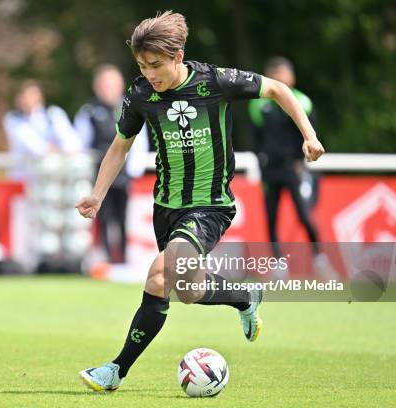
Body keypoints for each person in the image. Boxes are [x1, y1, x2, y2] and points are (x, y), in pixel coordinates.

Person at [75, 11, 324, 391]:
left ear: (178, 56)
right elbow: (119, 147)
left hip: (209, 207)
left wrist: (308, 136)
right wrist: (97, 193)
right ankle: (245, 296)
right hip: (166, 208)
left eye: (156, 65)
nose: (149, 74)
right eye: (142, 66)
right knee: (188, 290)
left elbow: (277, 89)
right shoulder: (140, 94)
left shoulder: (216, 81)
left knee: (160, 274)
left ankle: (115, 370)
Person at [248, 57, 331, 279]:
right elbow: (256, 139)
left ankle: (320, 258)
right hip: (269, 170)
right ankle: (277, 264)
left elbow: (311, 136)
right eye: (273, 76)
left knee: (305, 215)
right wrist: (260, 161)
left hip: (294, 170)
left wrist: (300, 162)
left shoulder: (303, 103)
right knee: (271, 217)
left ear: (291, 76)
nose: (278, 80)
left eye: (282, 74)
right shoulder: (258, 104)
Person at [75, 65, 148, 263]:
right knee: (103, 217)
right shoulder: (89, 111)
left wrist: (134, 171)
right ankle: (106, 259)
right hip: (98, 174)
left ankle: (123, 258)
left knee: (123, 217)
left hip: (123, 174)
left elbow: (140, 142)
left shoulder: (130, 106)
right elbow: (80, 144)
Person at [2, 80, 81, 181]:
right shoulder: (13, 119)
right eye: (25, 97)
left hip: (52, 176)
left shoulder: (53, 114)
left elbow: (72, 142)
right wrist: (57, 149)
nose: (29, 100)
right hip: (24, 178)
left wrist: (61, 149)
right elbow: (36, 148)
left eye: (33, 96)